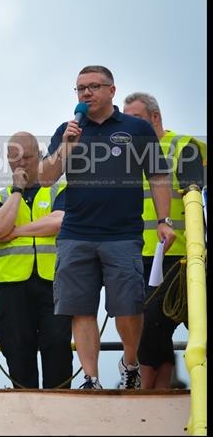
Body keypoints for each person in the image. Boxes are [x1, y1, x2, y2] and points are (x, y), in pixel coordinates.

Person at [39, 65, 175, 390]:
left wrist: (163, 220)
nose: (86, 94)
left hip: (123, 234)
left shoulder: (136, 128)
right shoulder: (67, 129)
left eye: (93, 87)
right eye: (80, 89)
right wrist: (66, 146)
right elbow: (45, 177)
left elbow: (157, 176)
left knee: (128, 309)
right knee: (80, 309)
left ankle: (130, 363)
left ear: (111, 91)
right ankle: (91, 378)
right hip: (76, 234)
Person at [123, 92, 207, 389]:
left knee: (157, 321)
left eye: (135, 118)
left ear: (155, 118)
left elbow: (194, 194)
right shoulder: (127, 157)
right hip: (136, 254)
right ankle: (157, 390)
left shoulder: (182, 147)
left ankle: (151, 390)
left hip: (178, 254)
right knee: (147, 325)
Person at [0, 131, 72, 389]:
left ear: (41, 155)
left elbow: (59, 221)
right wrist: (16, 191)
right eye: (15, 158)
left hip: (53, 282)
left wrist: (18, 232)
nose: (22, 163)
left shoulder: (60, 189)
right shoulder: (0, 198)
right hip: (12, 286)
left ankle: (60, 411)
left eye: (29, 157)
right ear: (8, 161)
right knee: (16, 349)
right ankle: (24, 411)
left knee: (57, 346)